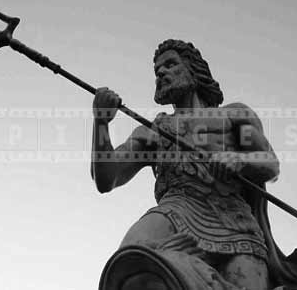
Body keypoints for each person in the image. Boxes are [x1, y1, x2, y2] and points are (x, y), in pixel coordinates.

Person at [91, 39, 280, 290]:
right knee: (131, 260)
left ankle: (183, 263)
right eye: (158, 70)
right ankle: (174, 257)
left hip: (234, 222)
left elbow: (270, 163)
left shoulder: (234, 115)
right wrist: (101, 122)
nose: (161, 73)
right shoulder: (154, 130)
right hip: (177, 209)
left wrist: (240, 160)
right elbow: (106, 178)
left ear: (193, 70)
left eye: (170, 64)